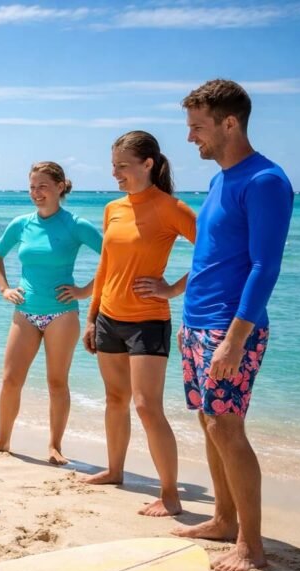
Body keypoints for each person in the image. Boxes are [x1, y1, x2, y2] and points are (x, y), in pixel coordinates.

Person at [171, 80, 293, 571]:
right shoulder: (221, 178)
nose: (190, 138)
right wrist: (177, 293)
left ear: (229, 123)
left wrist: (235, 340)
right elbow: (215, 252)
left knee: (227, 425)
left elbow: (265, 266)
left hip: (229, 330)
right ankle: (223, 519)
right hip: (197, 322)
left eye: (197, 127)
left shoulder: (264, 181)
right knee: (208, 420)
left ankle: (251, 544)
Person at [82, 131, 196, 517]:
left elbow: (215, 254)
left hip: (148, 322)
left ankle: (170, 493)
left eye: (123, 166)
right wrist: (92, 315)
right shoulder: (114, 208)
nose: (116, 173)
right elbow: (105, 265)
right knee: (116, 400)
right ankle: (115, 470)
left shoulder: (171, 208)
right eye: (113, 166)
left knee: (148, 406)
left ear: (148, 164)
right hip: (109, 318)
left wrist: (173, 289)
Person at [0, 162, 101, 465]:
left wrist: (85, 291)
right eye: (32, 186)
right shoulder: (22, 223)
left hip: (62, 314)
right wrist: (5, 289)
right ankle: (3, 440)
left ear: (60, 187)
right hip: (25, 312)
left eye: (43, 186)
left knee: (57, 382)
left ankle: (55, 446)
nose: (36, 192)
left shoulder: (76, 224)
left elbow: (114, 258)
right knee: (10, 379)